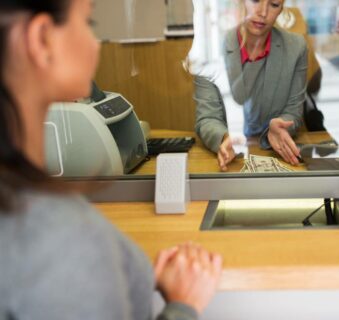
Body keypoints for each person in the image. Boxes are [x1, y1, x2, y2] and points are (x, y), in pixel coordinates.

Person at [0, 1, 222, 319]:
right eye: (89, 23)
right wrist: (182, 306)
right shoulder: (64, 243)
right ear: (42, 39)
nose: (96, 43)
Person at [194, 0, 308, 171]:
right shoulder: (210, 49)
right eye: (255, 0)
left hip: (272, 155)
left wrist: (280, 126)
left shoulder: (296, 47)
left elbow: (293, 111)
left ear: (281, 9)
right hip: (231, 160)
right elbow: (207, 117)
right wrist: (224, 137)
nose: (262, 12)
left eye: (274, 4)